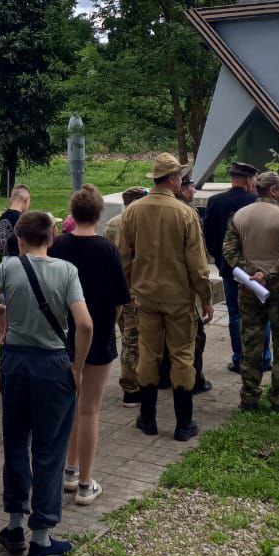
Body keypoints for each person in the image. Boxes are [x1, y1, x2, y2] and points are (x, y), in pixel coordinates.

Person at [0, 211, 92, 556]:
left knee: (17, 441)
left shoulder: (8, 268)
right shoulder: (66, 271)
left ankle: (16, 524)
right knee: (50, 448)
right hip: (53, 363)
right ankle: (42, 538)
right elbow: (84, 323)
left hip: (16, 363)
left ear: (19, 240)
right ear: (52, 238)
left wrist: (2, 308)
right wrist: (78, 366)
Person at [117, 154, 213, 441]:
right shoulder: (185, 213)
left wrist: (132, 287)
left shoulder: (133, 211)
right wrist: (205, 297)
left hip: (145, 297)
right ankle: (183, 424)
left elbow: (123, 257)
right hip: (179, 298)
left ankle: (148, 419)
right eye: (180, 177)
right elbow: (197, 264)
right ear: (173, 179)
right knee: (182, 354)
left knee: (148, 353)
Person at [49, 185, 130, 506]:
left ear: (73, 213)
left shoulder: (58, 246)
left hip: (60, 337)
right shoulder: (107, 250)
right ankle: (85, 482)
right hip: (97, 336)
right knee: (90, 409)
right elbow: (121, 300)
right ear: (98, 214)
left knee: (69, 406)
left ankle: (68, 470)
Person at [222, 171, 279, 413]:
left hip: (249, 289)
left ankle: (249, 398)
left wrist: (253, 274)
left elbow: (230, 251)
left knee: (252, 345)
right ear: (274, 191)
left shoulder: (239, 216)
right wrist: (269, 275)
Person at [202, 161, 270, 374]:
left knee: (234, 313)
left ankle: (240, 359)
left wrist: (221, 257)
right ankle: (264, 358)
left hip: (229, 267)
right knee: (262, 313)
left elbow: (209, 236)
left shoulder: (215, 202)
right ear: (250, 180)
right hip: (257, 268)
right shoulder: (258, 202)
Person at [103, 187, 148, 406]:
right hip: (136, 292)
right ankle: (131, 388)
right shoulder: (141, 225)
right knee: (133, 342)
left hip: (115, 291)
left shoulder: (112, 223)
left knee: (127, 336)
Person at [176, 168, 213, 396]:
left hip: (153, 290)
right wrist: (206, 296)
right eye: (191, 186)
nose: (194, 190)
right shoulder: (188, 212)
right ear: (181, 187)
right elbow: (197, 258)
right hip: (185, 289)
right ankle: (195, 380)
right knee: (195, 337)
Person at [0, 185, 31, 259]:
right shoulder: (23, 220)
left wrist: (5, 254)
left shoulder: (3, 216)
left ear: (11, 199)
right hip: (21, 264)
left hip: (6, 264)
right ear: (26, 200)